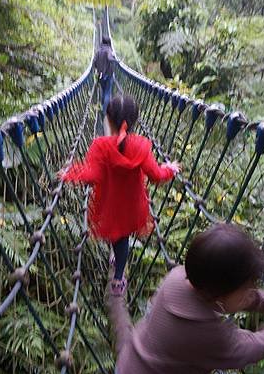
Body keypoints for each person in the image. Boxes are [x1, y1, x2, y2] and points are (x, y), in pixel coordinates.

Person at [107, 223, 264, 374]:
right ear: (220, 294)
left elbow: (235, 299)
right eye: (246, 288)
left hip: (129, 362)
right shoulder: (205, 333)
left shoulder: (178, 278)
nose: (250, 292)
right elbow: (244, 348)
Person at [60, 95, 180, 295]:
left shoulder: (100, 146)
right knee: (123, 237)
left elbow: (93, 175)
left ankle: (116, 267)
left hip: (108, 204)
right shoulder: (142, 146)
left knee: (115, 233)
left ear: (107, 119)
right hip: (132, 206)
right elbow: (156, 175)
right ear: (134, 121)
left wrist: (69, 173)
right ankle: (118, 280)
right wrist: (171, 169)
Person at [93, 36, 117, 117]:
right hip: (108, 74)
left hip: (100, 75)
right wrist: (116, 60)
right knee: (107, 93)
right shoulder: (109, 50)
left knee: (103, 92)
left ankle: (103, 108)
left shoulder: (98, 51)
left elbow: (94, 62)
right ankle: (105, 113)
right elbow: (110, 58)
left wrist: (98, 69)